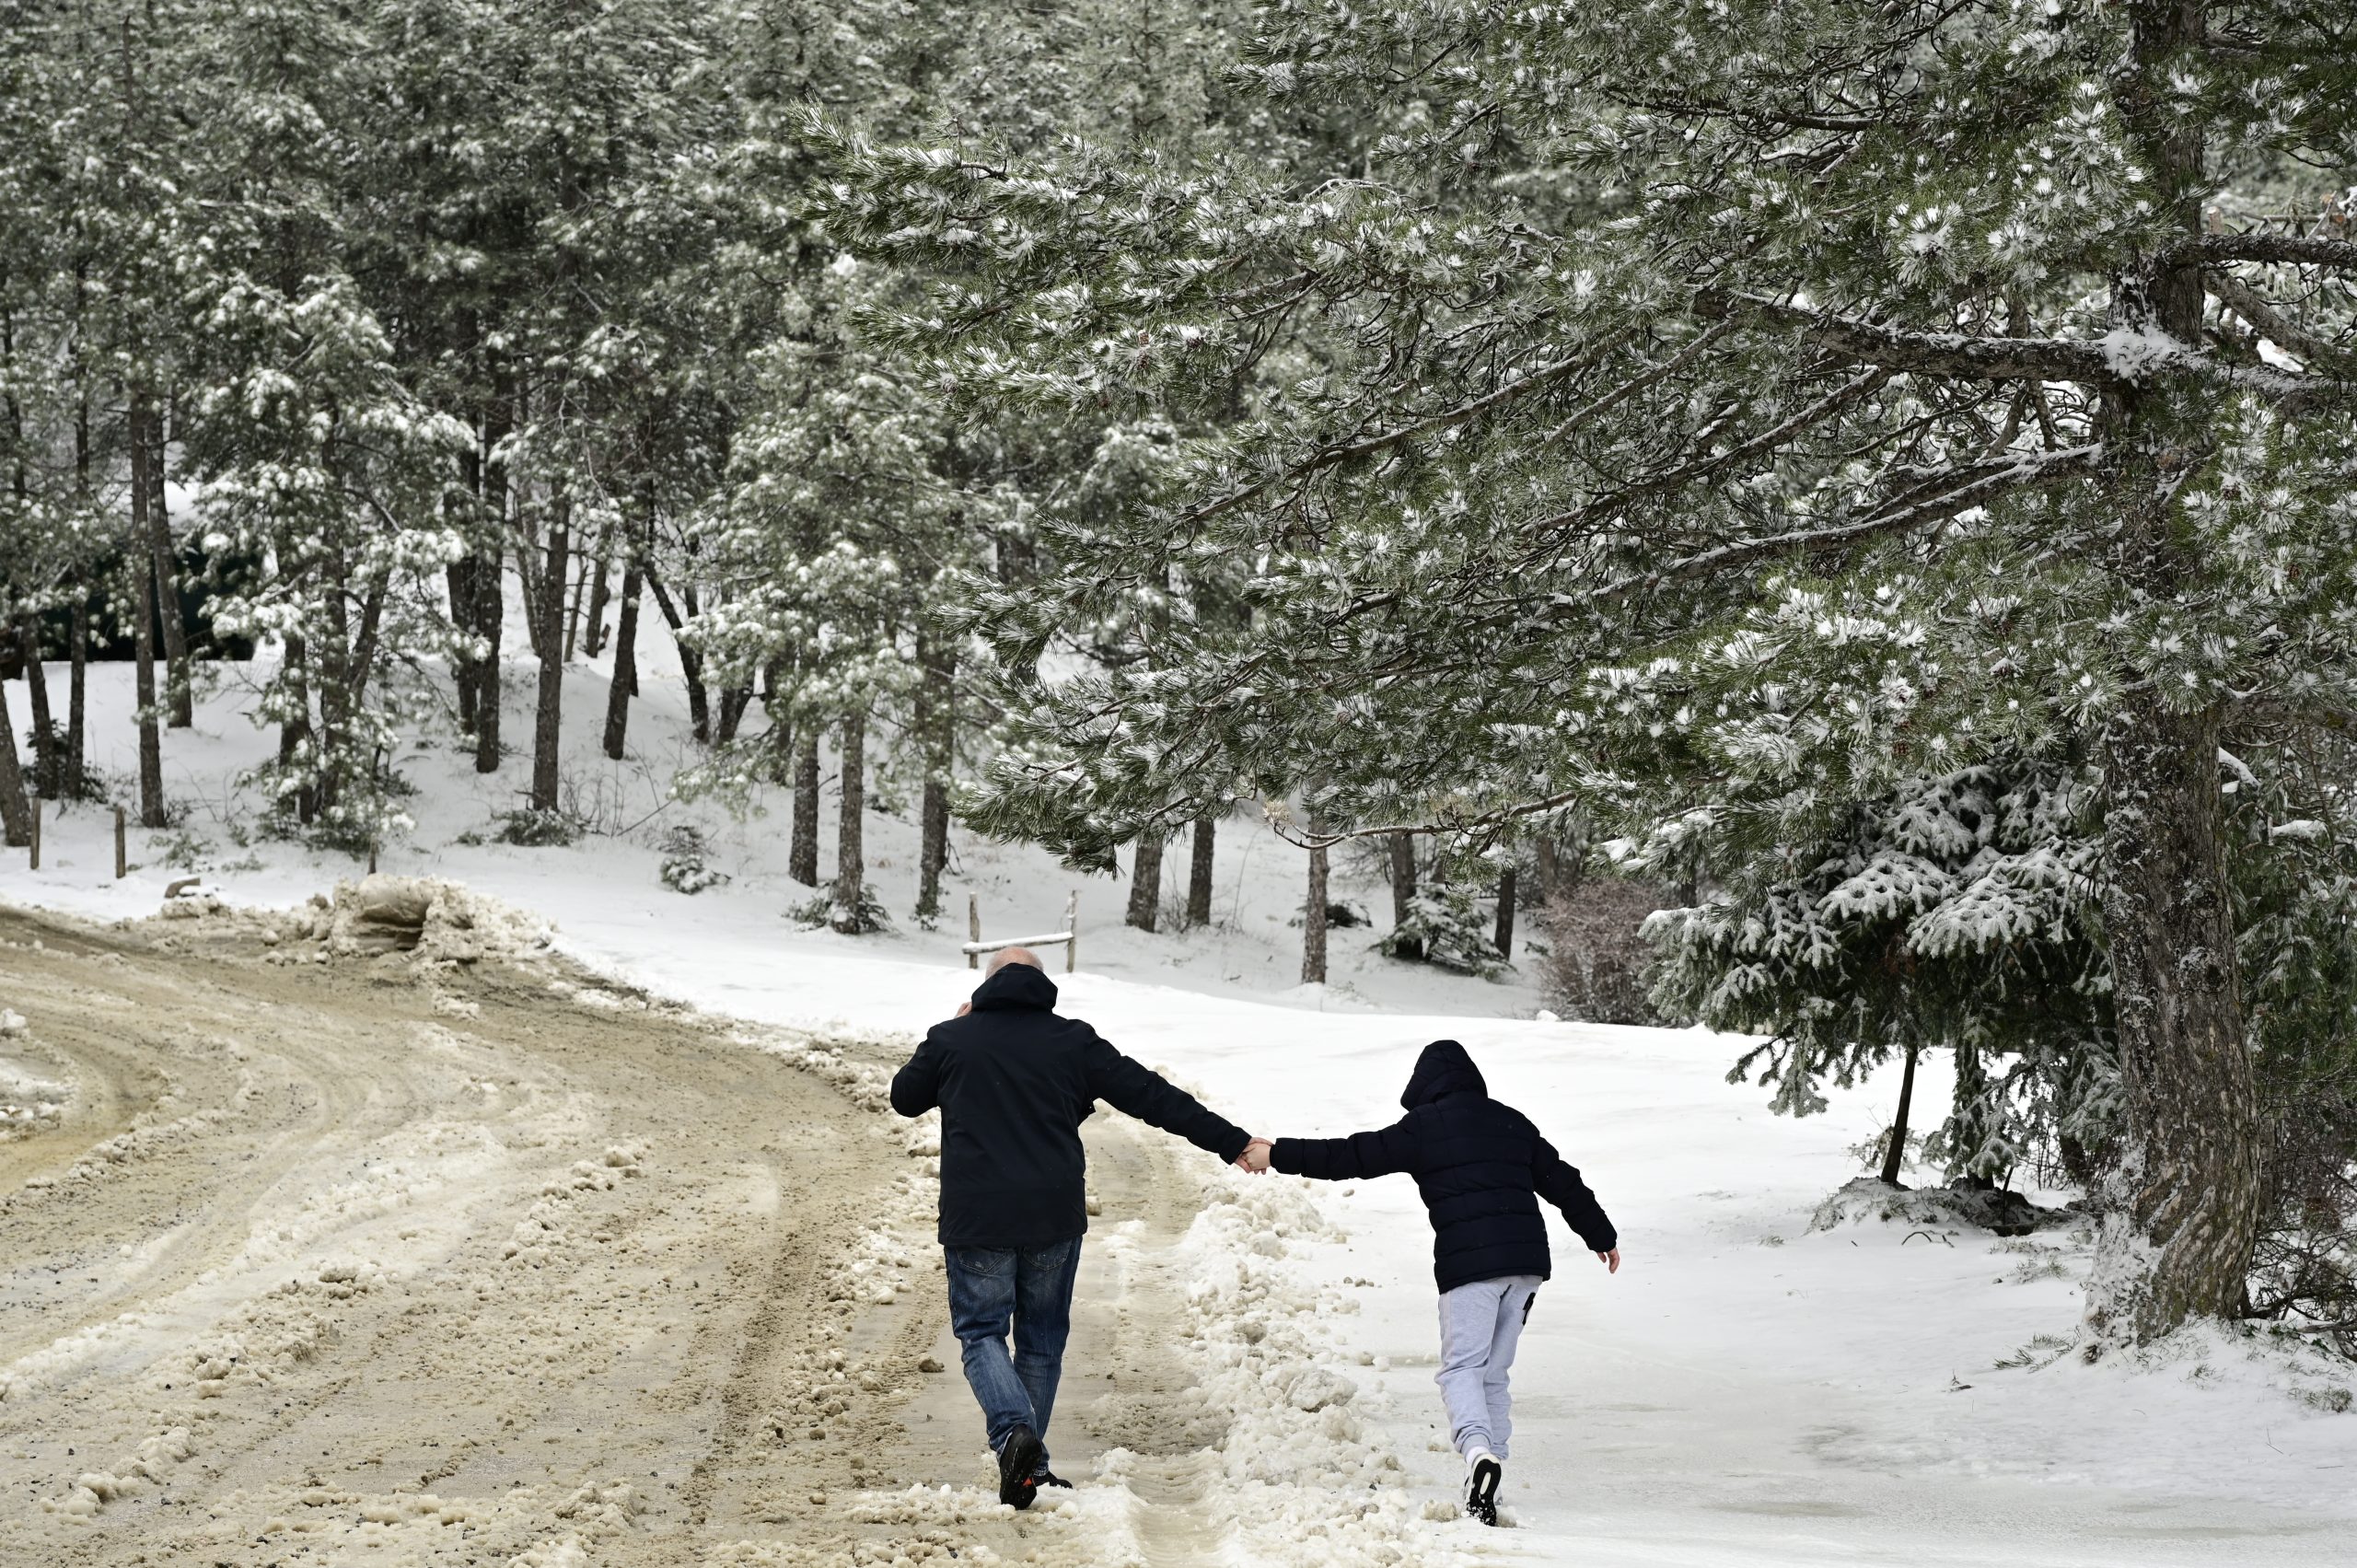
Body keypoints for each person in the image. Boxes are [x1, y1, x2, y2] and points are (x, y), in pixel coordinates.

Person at [891, 947, 1262, 1509]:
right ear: (1042, 984)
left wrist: (953, 1028)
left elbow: (904, 1097)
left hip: (977, 1218)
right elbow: (1153, 1097)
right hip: (1052, 1216)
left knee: (981, 1333)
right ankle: (1030, 1470)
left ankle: (1014, 1437)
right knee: (1042, 1341)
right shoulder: (1072, 1041)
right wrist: (1231, 1141)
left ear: (987, 984)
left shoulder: (953, 1039)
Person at [1244, 1039, 1618, 1526]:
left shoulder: (1424, 1126)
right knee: (1493, 1372)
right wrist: (1600, 1235)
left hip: (1470, 1268)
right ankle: (1492, 1468)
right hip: (1526, 1266)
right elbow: (1564, 1181)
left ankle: (1479, 1454)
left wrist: (1277, 1154)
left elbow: (1351, 1155)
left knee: (1462, 1368)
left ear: (1424, 1085)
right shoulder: (1511, 1122)